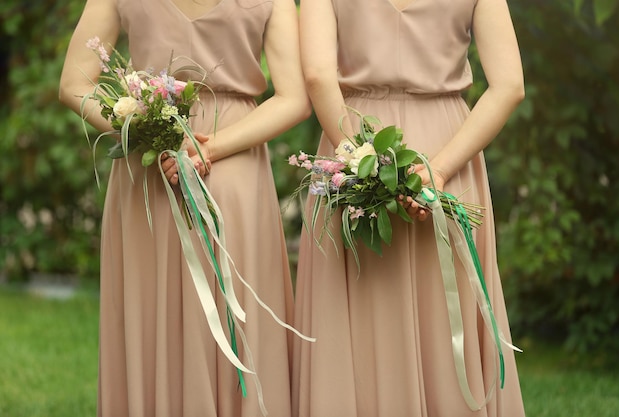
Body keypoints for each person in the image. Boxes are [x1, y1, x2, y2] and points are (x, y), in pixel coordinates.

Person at [59, 0, 310, 415]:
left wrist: (144, 131)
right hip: (221, 154)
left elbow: (73, 83)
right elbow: (293, 97)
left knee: (164, 315)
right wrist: (169, 137)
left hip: (160, 161)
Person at [291, 0, 526, 416]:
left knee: (361, 311)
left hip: (354, 137)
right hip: (448, 145)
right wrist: (436, 171)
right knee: (445, 310)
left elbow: (317, 75)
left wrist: (361, 162)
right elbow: (509, 86)